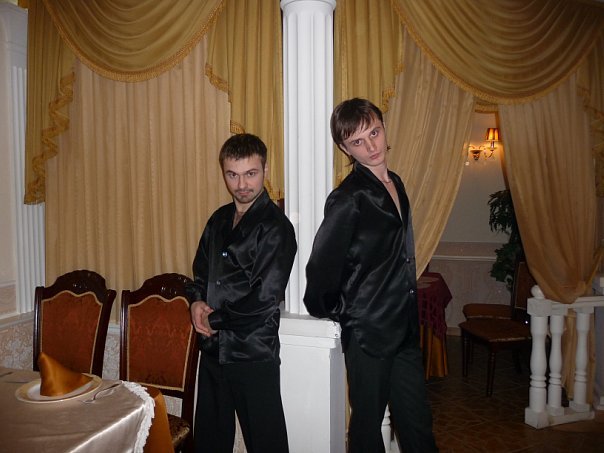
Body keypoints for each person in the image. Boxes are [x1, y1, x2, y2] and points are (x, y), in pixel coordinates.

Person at [303, 98, 438, 453]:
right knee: (366, 428)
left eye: (374, 133)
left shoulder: (397, 183)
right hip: (368, 334)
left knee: (417, 422)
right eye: (358, 142)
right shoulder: (348, 198)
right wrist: (348, 313)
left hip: (404, 328)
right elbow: (320, 270)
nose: (371, 146)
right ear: (344, 149)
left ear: (383, 127)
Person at [185, 133, 297, 453]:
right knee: (209, 443)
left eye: (251, 173)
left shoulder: (277, 227)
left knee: (267, 444)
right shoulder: (218, 220)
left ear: (265, 170)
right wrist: (195, 302)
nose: (242, 184)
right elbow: (200, 272)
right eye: (233, 175)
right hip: (212, 351)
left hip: (253, 354)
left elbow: (264, 299)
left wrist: (213, 320)